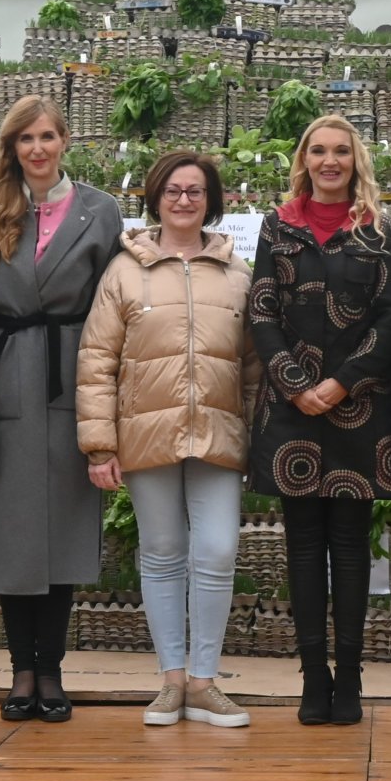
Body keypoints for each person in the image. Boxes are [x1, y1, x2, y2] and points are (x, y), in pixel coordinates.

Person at [78, 150, 259, 728]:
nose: (184, 200)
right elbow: (96, 360)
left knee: (217, 551)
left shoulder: (237, 273)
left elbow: (254, 365)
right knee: (160, 555)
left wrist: (259, 438)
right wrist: (100, 445)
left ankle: (206, 683)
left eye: (196, 192)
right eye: (174, 191)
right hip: (146, 432)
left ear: (213, 201)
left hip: (219, 434)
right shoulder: (124, 270)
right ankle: (171, 680)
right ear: (154, 197)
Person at [0, 96, 121, 723]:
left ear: (65, 140)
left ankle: (51, 669)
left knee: (62, 533)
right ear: (11, 146)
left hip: (69, 372)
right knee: (9, 534)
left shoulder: (99, 210)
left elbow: (112, 303)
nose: (38, 149)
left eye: (48, 136)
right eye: (25, 138)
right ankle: (20, 669)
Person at [247, 116, 391, 725]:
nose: (330, 161)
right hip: (292, 414)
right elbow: (261, 308)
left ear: (355, 159)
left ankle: (351, 679)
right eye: (319, 151)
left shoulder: (377, 230)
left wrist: (341, 384)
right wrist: (295, 384)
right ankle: (314, 677)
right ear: (304, 159)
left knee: (350, 547)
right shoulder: (277, 224)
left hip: (359, 411)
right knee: (304, 550)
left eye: (341, 151)